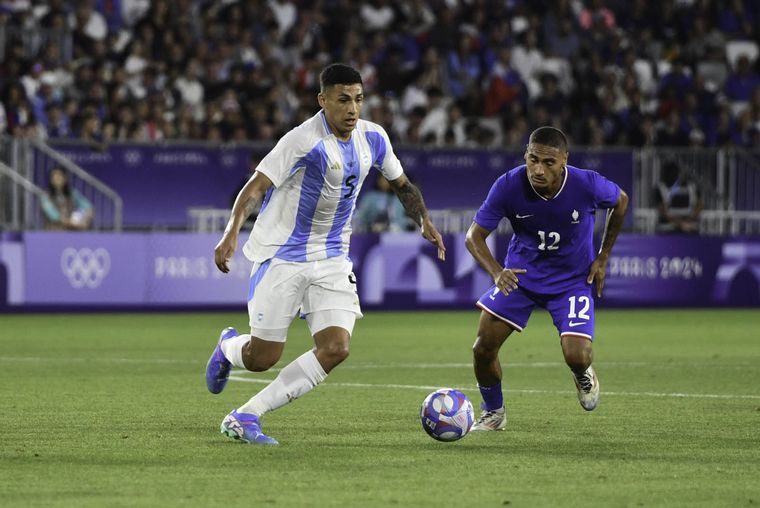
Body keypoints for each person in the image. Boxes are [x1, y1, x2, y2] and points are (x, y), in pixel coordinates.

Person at [206, 63, 446, 445]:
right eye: (343, 100)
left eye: (358, 100)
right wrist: (230, 232)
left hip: (333, 257)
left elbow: (402, 185)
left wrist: (424, 221)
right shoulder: (302, 140)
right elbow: (255, 187)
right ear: (323, 101)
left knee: (336, 348)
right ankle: (227, 349)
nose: (353, 109)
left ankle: (246, 414)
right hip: (284, 255)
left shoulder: (374, 137)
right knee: (261, 357)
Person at [464, 126, 628, 431]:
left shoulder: (587, 184)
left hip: (572, 281)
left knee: (577, 356)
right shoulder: (508, 185)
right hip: (521, 278)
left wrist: (603, 256)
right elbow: (474, 237)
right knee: (482, 348)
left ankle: (583, 373)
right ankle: (493, 412)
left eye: (548, 162)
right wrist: (497, 271)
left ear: (564, 160)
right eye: (532, 159)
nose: (538, 169)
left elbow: (621, 201)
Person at [654, 160, 703, 234]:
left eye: (674, 172)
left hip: (690, 226)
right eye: (669, 172)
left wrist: (688, 221)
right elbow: (662, 211)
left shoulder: (691, 187)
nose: (671, 175)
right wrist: (680, 224)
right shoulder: (660, 188)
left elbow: (700, 205)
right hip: (668, 227)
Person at [40, 166, 93, 230]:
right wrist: (74, 224)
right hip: (52, 233)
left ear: (65, 178)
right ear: (51, 180)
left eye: (59, 176)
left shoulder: (73, 194)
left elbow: (88, 207)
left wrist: (85, 220)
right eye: (54, 177)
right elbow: (55, 217)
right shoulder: (45, 196)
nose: (56, 178)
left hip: (71, 233)